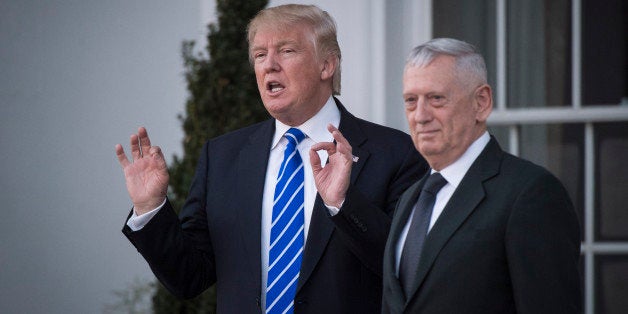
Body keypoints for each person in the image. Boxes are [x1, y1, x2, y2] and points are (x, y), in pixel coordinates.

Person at [115, 4, 427, 314]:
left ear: (327, 65)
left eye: (287, 51)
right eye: (260, 55)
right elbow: (188, 277)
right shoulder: (222, 156)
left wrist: (343, 204)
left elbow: (405, 268)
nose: (269, 65)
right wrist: (151, 208)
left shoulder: (396, 153)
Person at [381, 38, 582, 314]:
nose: (420, 116)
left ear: (481, 102)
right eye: (411, 101)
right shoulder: (410, 198)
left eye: (436, 98)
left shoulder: (530, 193)